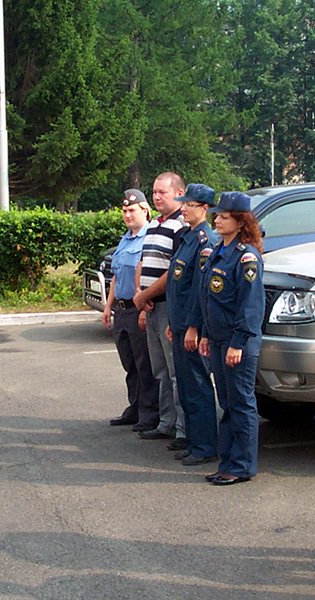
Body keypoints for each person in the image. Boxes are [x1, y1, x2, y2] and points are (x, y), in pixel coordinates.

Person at [197, 192, 264, 485]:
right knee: (226, 402)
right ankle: (228, 461)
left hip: (238, 343)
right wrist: (206, 334)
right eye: (217, 216)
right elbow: (210, 300)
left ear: (240, 221)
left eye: (224, 216)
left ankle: (242, 465)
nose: (217, 220)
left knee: (240, 403)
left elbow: (250, 307)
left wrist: (237, 343)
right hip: (219, 339)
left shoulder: (246, 257)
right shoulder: (218, 252)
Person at [134, 172, 188, 449]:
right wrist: (141, 295)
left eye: (162, 192)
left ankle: (182, 429)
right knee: (160, 370)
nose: (156, 197)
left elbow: (174, 272)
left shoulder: (181, 226)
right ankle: (166, 422)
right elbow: (144, 263)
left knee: (176, 371)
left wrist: (146, 294)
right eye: (154, 192)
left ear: (179, 193)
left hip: (168, 306)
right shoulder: (154, 224)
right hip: (152, 306)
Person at [167, 183, 219, 466]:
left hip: (191, 327)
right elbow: (179, 287)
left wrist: (194, 327)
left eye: (190, 204)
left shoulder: (204, 242)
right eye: (184, 203)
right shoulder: (187, 238)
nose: (184, 208)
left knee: (197, 386)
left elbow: (200, 290)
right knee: (186, 387)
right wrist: (174, 323)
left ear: (205, 208)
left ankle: (205, 446)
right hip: (179, 324)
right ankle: (194, 440)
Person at [103, 189, 159, 433]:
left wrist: (144, 310)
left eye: (132, 210)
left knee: (144, 364)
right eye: (124, 211)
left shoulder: (150, 237)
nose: (127, 215)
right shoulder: (126, 239)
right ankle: (134, 407)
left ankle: (150, 413)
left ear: (145, 211)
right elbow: (116, 276)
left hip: (139, 309)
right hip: (122, 309)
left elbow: (149, 276)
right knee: (130, 363)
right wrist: (108, 306)